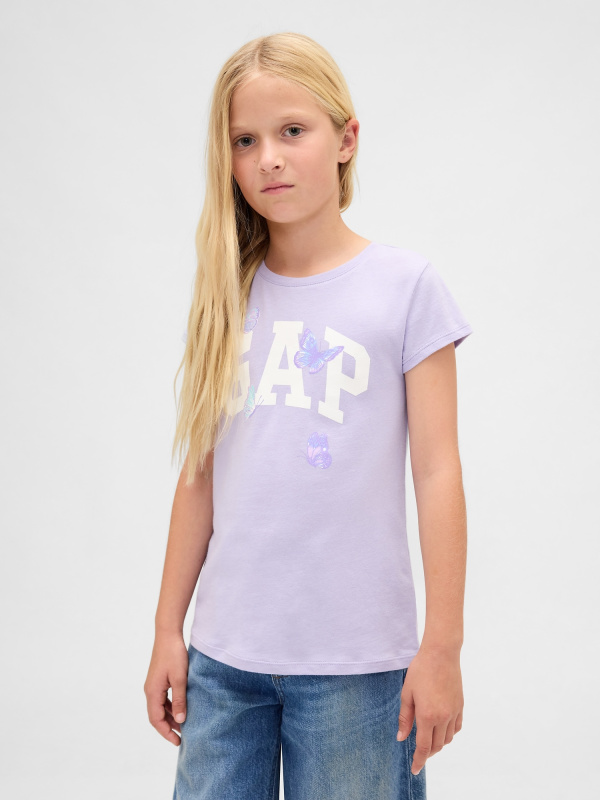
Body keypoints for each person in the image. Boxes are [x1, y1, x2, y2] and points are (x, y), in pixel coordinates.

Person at [144, 31, 473, 800]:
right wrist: (167, 629)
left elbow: (438, 472)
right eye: (245, 140)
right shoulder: (227, 294)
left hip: (357, 669)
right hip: (224, 664)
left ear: (346, 139)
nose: (269, 158)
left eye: (292, 131)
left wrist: (443, 647)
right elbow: (200, 476)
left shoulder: (405, 289)